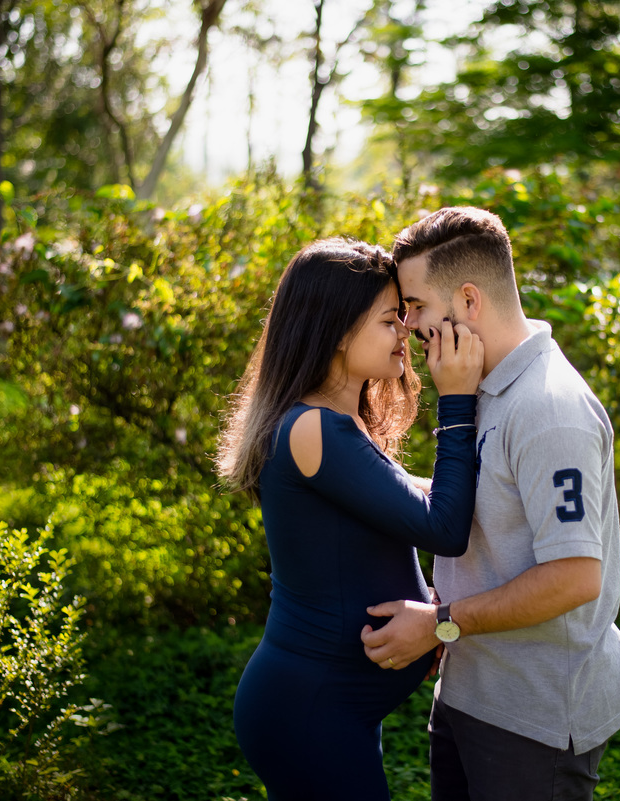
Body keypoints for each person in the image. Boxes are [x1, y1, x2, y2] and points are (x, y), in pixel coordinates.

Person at [360, 208, 620, 801]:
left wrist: (440, 624)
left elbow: (574, 577)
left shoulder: (549, 409)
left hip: (532, 719)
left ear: (468, 301)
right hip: (469, 692)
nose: (408, 328)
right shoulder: (480, 384)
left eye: (418, 309)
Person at [216, 238, 484, 801]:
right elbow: (444, 527)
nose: (406, 334)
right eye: (391, 320)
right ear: (338, 331)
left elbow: (419, 504)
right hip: (311, 709)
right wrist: (457, 400)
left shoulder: (331, 423)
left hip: (327, 708)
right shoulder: (316, 429)